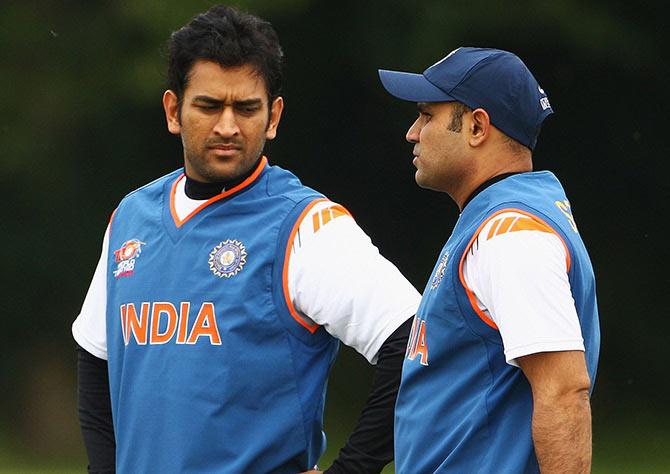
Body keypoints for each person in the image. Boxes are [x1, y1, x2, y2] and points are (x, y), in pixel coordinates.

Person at [72, 6, 420, 473]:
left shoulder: (308, 226)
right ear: (174, 110)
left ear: (273, 116)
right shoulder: (131, 218)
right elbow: (96, 359)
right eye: (210, 105)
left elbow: (416, 342)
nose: (228, 127)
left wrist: (351, 469)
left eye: (247, 108)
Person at [378, 47, 600, 473]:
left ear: (478, 126)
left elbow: (564, 391)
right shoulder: (496, 221)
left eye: (426, 115)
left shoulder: (512, 235)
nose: (412, 132)